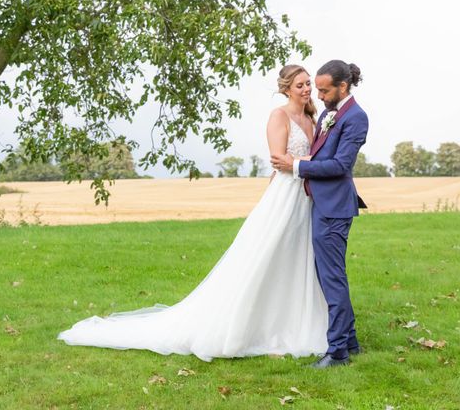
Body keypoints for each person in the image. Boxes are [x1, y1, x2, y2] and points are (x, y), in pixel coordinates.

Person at [57, 65, 328, 362]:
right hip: (284, 196)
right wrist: (318, 160)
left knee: (298, 259)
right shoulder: (279, 116)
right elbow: (279, 160)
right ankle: (250, 326)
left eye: (307, 85)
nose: (306, 90)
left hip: (305, 199)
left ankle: (293, 322)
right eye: (300, 85)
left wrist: (313, 163)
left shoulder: (312, 118)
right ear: (287, 88)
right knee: (270, 256)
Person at [271, 60, 368, 368]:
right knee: (329, 275)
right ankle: (349, 341)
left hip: (335, 207)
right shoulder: (327, 113)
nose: (319, 95)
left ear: (343, 87)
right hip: (318, 203)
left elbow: (340, 165)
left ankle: (337, 351)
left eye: (324, 90)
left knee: (332, 277)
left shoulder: (356, 117)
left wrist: (295, 166)